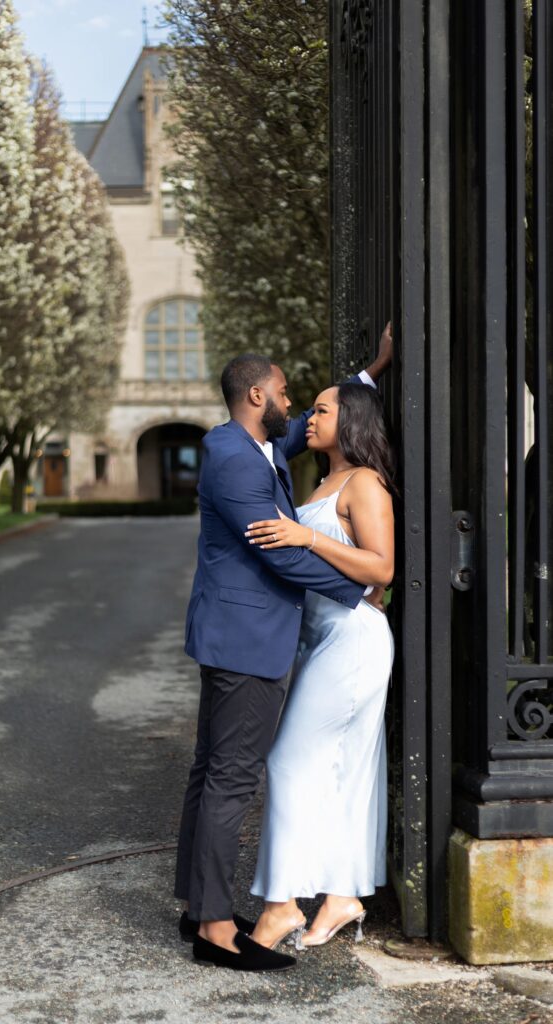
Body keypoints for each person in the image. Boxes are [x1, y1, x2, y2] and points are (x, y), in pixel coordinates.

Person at [174, 326, 393, 972]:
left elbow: (316, 431)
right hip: (249, 640)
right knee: (230, 776)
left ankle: (202, 905)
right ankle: (214, 925)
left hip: (252, 636)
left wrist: (371, 371)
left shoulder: (255, 446)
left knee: (212, 771)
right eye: (284, 394)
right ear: (254, 394)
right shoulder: (236, 458)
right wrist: (355, 590)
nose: (292, 407)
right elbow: (279, 551)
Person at [245, 381, 395, 951]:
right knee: (344, 771)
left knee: (287, 760)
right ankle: (342, 896)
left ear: (351, 419)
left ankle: (280, 904)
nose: (310, 417)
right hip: (319, 639)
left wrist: (306, 535)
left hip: (352, 640)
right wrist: (372, 368)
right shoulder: (323, 478)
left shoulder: (365, 482)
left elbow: (381, 568)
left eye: (324, 410)